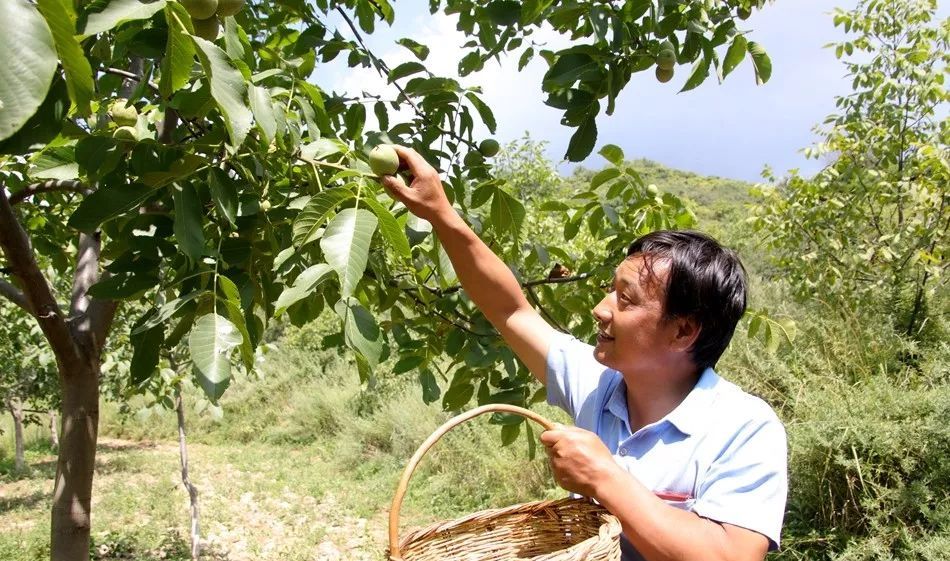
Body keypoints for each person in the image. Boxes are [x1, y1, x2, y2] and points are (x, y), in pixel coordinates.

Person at [380, 146, 788, 561]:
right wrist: (440, 214)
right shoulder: (598, 383)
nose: (601, 308)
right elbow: (510, 310)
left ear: (683, 330)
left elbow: (730, 555)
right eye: (610, 290)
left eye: (625, 299)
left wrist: (604, 477)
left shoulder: (745, 426)